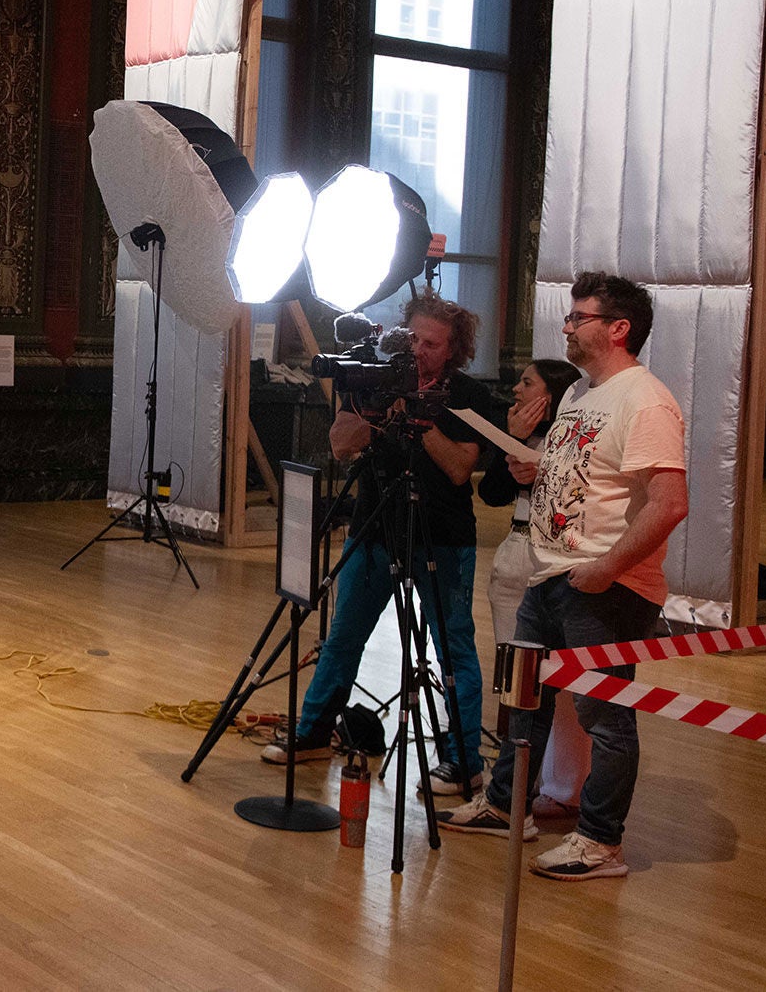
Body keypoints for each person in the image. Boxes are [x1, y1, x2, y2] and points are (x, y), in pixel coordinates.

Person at [438, 271, 688, 882]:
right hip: (549, 576)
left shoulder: (644, 399)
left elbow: (669, 502)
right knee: (523, 700)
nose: (568, 326)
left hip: (603, 586)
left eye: (580, 317)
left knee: (606, 716)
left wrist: (605, 569)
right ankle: (507, 805)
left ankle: (601, 841)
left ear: (618, 328)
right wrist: (532, 470)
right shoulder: (578, 393)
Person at [263, 291, 500, 800]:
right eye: (412, 338)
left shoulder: (468, 395)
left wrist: (418, 418)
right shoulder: (375, 377)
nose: (418, 350)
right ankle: (312, 731)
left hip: (442, 535)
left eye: (431, 344)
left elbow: (461, 469)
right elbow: (342, 445)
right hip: (374, 526)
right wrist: (376, 406)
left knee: (452, 647)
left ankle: (462, 761)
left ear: (453, 349)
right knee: (345, 634)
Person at [480, 358, 591, 817]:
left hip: (552, 560)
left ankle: (562, 786)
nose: (516, 391)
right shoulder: (521, 435)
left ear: (551, 395)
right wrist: (516, 444)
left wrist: (537, 458)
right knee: (516, 679)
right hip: (514, 551)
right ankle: (517, 783)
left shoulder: (574, 439)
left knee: (557, 684)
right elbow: (491, 493)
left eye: (527, 383)